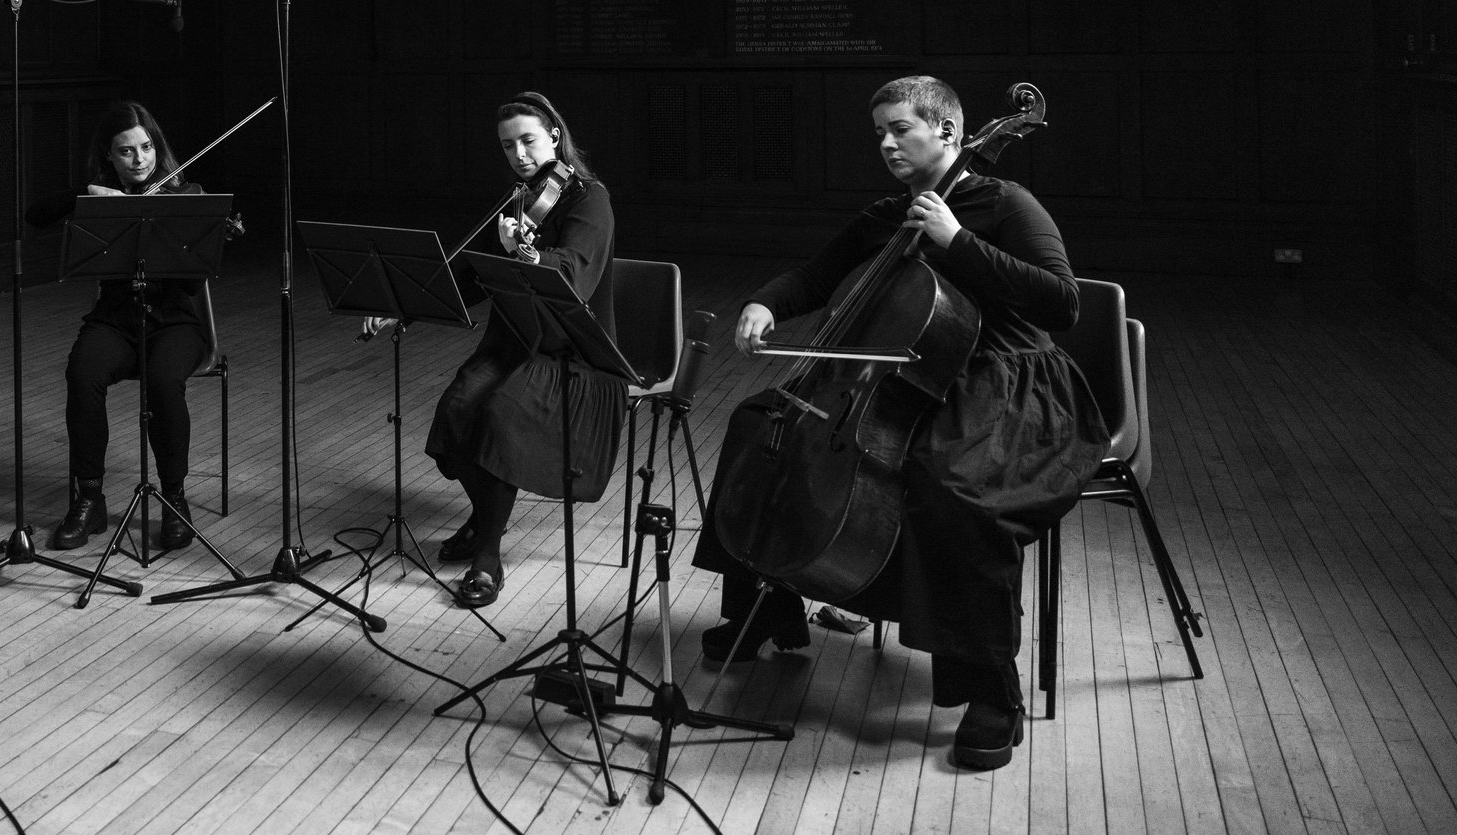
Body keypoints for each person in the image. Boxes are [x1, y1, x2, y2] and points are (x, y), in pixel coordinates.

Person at [694, 75, 1108, 772]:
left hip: (1008, 383)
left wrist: (955, 241)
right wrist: (765, 304)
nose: (885, 142)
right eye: (879, 131)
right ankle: (767, 601)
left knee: (952, 487)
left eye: (900, 130)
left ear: (948, 132)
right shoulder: (887, 213)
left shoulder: (1004, 203)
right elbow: (815, 277)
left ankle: (990, 691)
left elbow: (1062, 302)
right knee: (758, 422)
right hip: (913, 380)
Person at [425, 91, 618, 610]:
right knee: (454, 414)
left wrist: (525, 252)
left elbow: (574, 274)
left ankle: (486, 555)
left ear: (555, 134)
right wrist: (407, 302)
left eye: (529, 140)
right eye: (508, 146)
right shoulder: (522, 198)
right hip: (514, 341)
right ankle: (483, 518)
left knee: (500, 417)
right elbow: (474, 273)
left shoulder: (588, 198)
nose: (520, 154)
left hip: (570, 350)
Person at [28, 101, 221, 555]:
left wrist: (197, 230)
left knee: (162, 380)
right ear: (109, 157)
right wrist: (88, 197)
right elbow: (36, 215)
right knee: (82, 371)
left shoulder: (186, 194)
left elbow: (193, 283)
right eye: (127, 151)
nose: (140, 160)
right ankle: (89, 498)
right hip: (115, 321)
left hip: (175, 323)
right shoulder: (100, 199)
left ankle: (174, 498)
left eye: (147, 147)